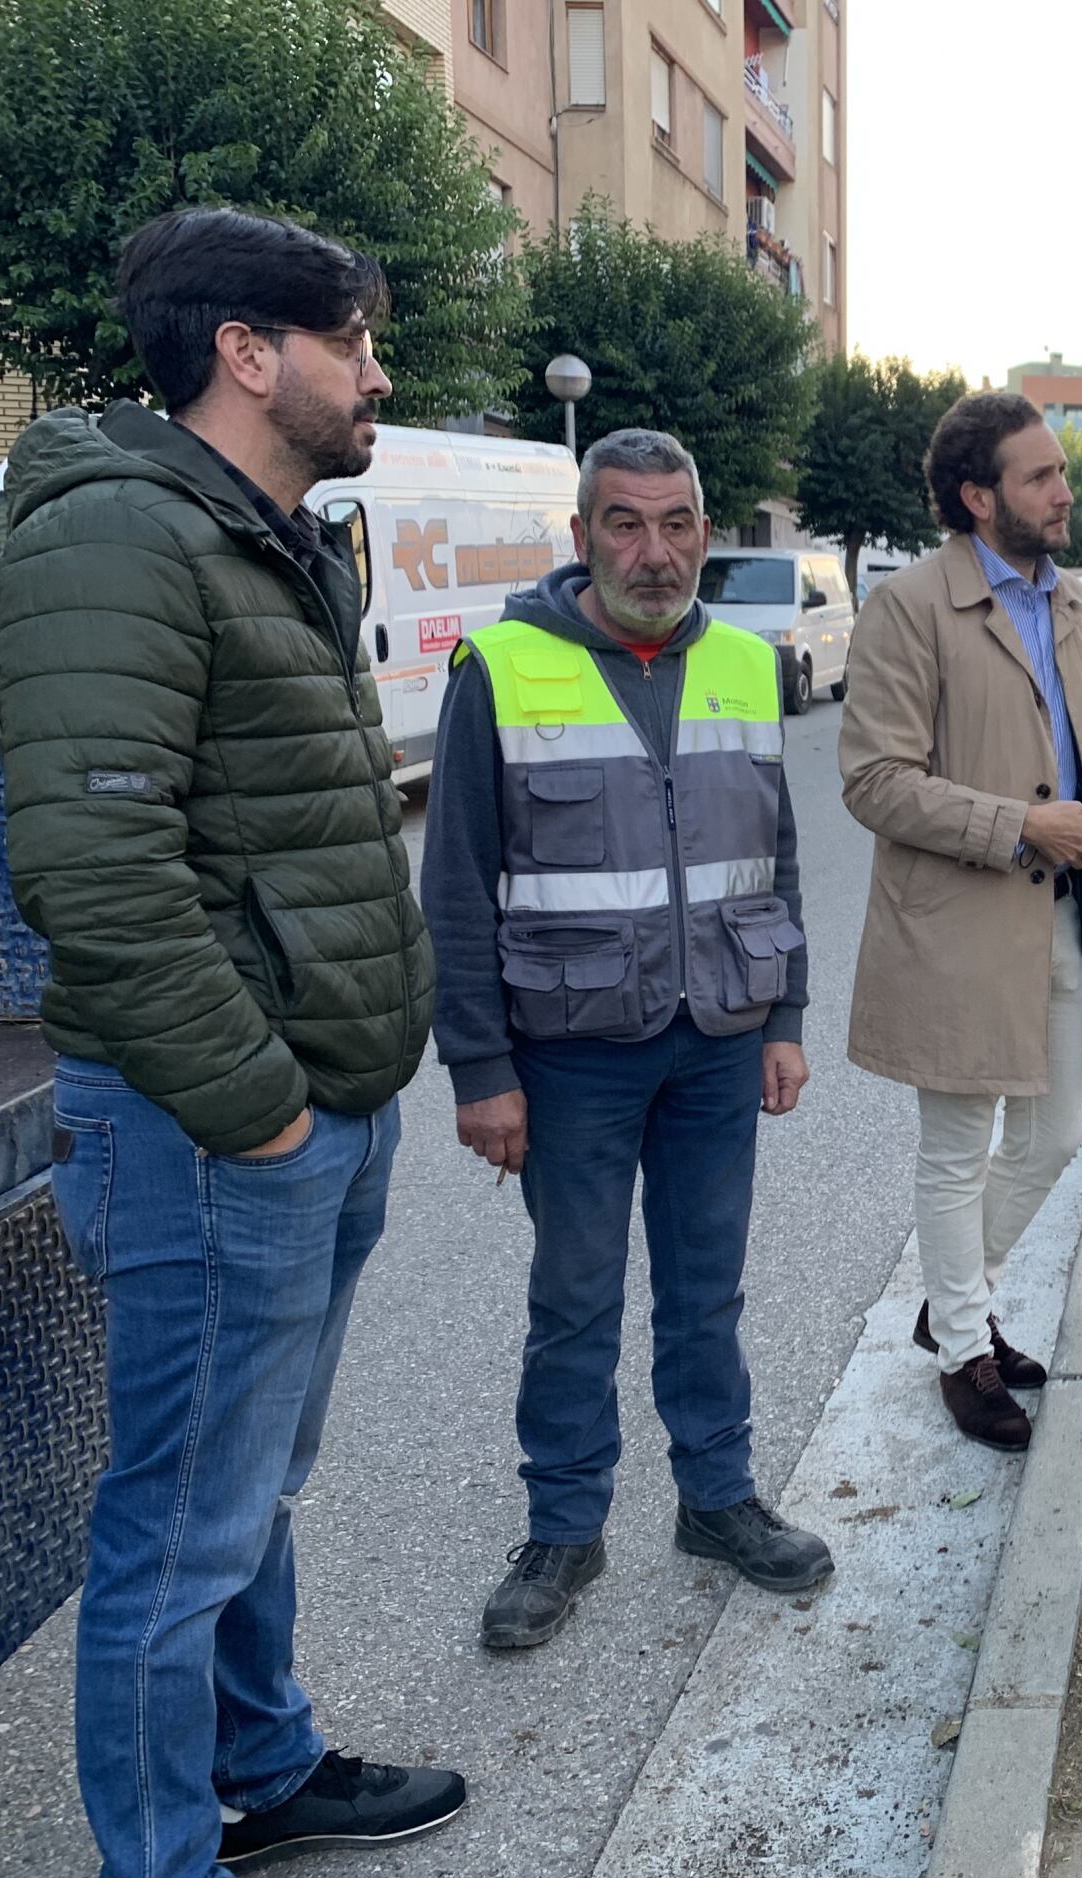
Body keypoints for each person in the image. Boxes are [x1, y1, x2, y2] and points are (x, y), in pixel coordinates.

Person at [0, 206, 456, 1878]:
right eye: (353, 341)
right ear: (248, 353)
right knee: (179, 1530)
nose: (377, 374)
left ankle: (261, 1769)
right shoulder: (117, 534)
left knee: (252, 1490)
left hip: (312, 1102)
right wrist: (260, 1111)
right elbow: (97, 878)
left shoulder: (263, 533)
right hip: (211, 1130)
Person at [421, 429, 833, 1649]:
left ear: (704, 533)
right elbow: (456, 886)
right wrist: (480, 1068)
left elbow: (775, 855)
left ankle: (717, 1497)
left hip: (719, 1037)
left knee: (707, 1290)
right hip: (572, 1048)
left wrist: (787, 1016)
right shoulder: (503, 668)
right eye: (625, 523)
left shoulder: (747, 665)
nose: (654, 551)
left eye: (676, 523)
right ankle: (564, 1525)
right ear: (582, 535)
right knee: (575, 1296)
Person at [838, 392, 1082, 1450]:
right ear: (979, 498)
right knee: (955, 1150)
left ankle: (954, 1305)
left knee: (1054, 1134)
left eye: (1060, 471)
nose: (1064, 491)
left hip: (1064, 911)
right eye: (1041, 476)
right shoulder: (910, 606)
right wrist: (1020, 823)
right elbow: (875, 780)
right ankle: (962, 1351)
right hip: (957, 925)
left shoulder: (1071, 604)